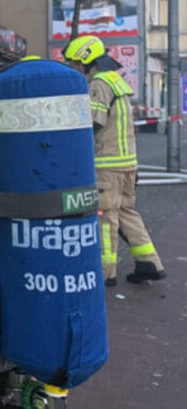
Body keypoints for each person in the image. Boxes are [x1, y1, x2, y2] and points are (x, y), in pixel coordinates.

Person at [63, 35, 165, 286]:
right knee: (126, 212)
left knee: (105, 217)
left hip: (106, 165)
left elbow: (91, 123)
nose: (74, 68)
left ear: (87, 62)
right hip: (127, 164)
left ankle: (105, 272)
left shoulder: (98, 84)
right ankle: (149, 263)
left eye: (75, 63)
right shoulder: (115, 80)